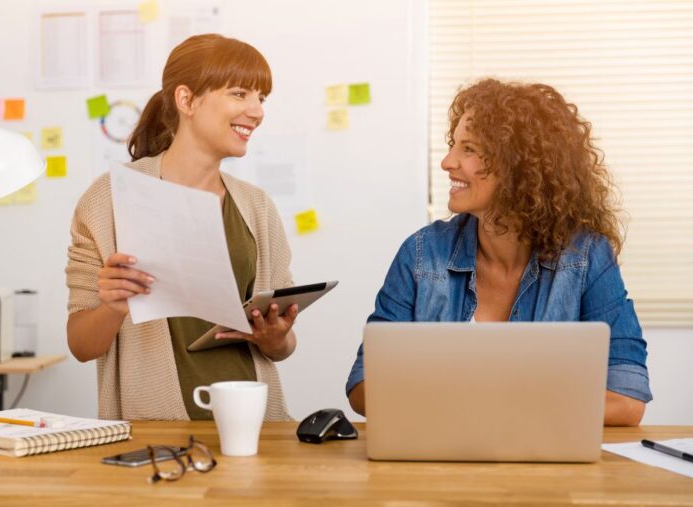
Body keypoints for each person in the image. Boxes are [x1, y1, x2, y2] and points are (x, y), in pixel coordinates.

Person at [346, 78, 651, 426]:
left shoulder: (586, 257)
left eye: (469, 149)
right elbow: (363, 385)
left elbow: (628, 399)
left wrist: (494, 413)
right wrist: (491, 412)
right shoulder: (421, 254)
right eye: (453, 145)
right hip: (439, 467)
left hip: (546, 470)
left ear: (519, 166)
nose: (447, 162)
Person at [66, 34, 297, 421]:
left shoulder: (257, 206)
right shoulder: (108, 198)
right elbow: (81, 345)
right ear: (187, 100)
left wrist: (275, 337)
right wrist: (113, 306)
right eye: (240, 94)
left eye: (262, 98)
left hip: (254, 426)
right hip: (154, 435)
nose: (256, 111)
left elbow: (284, 344)